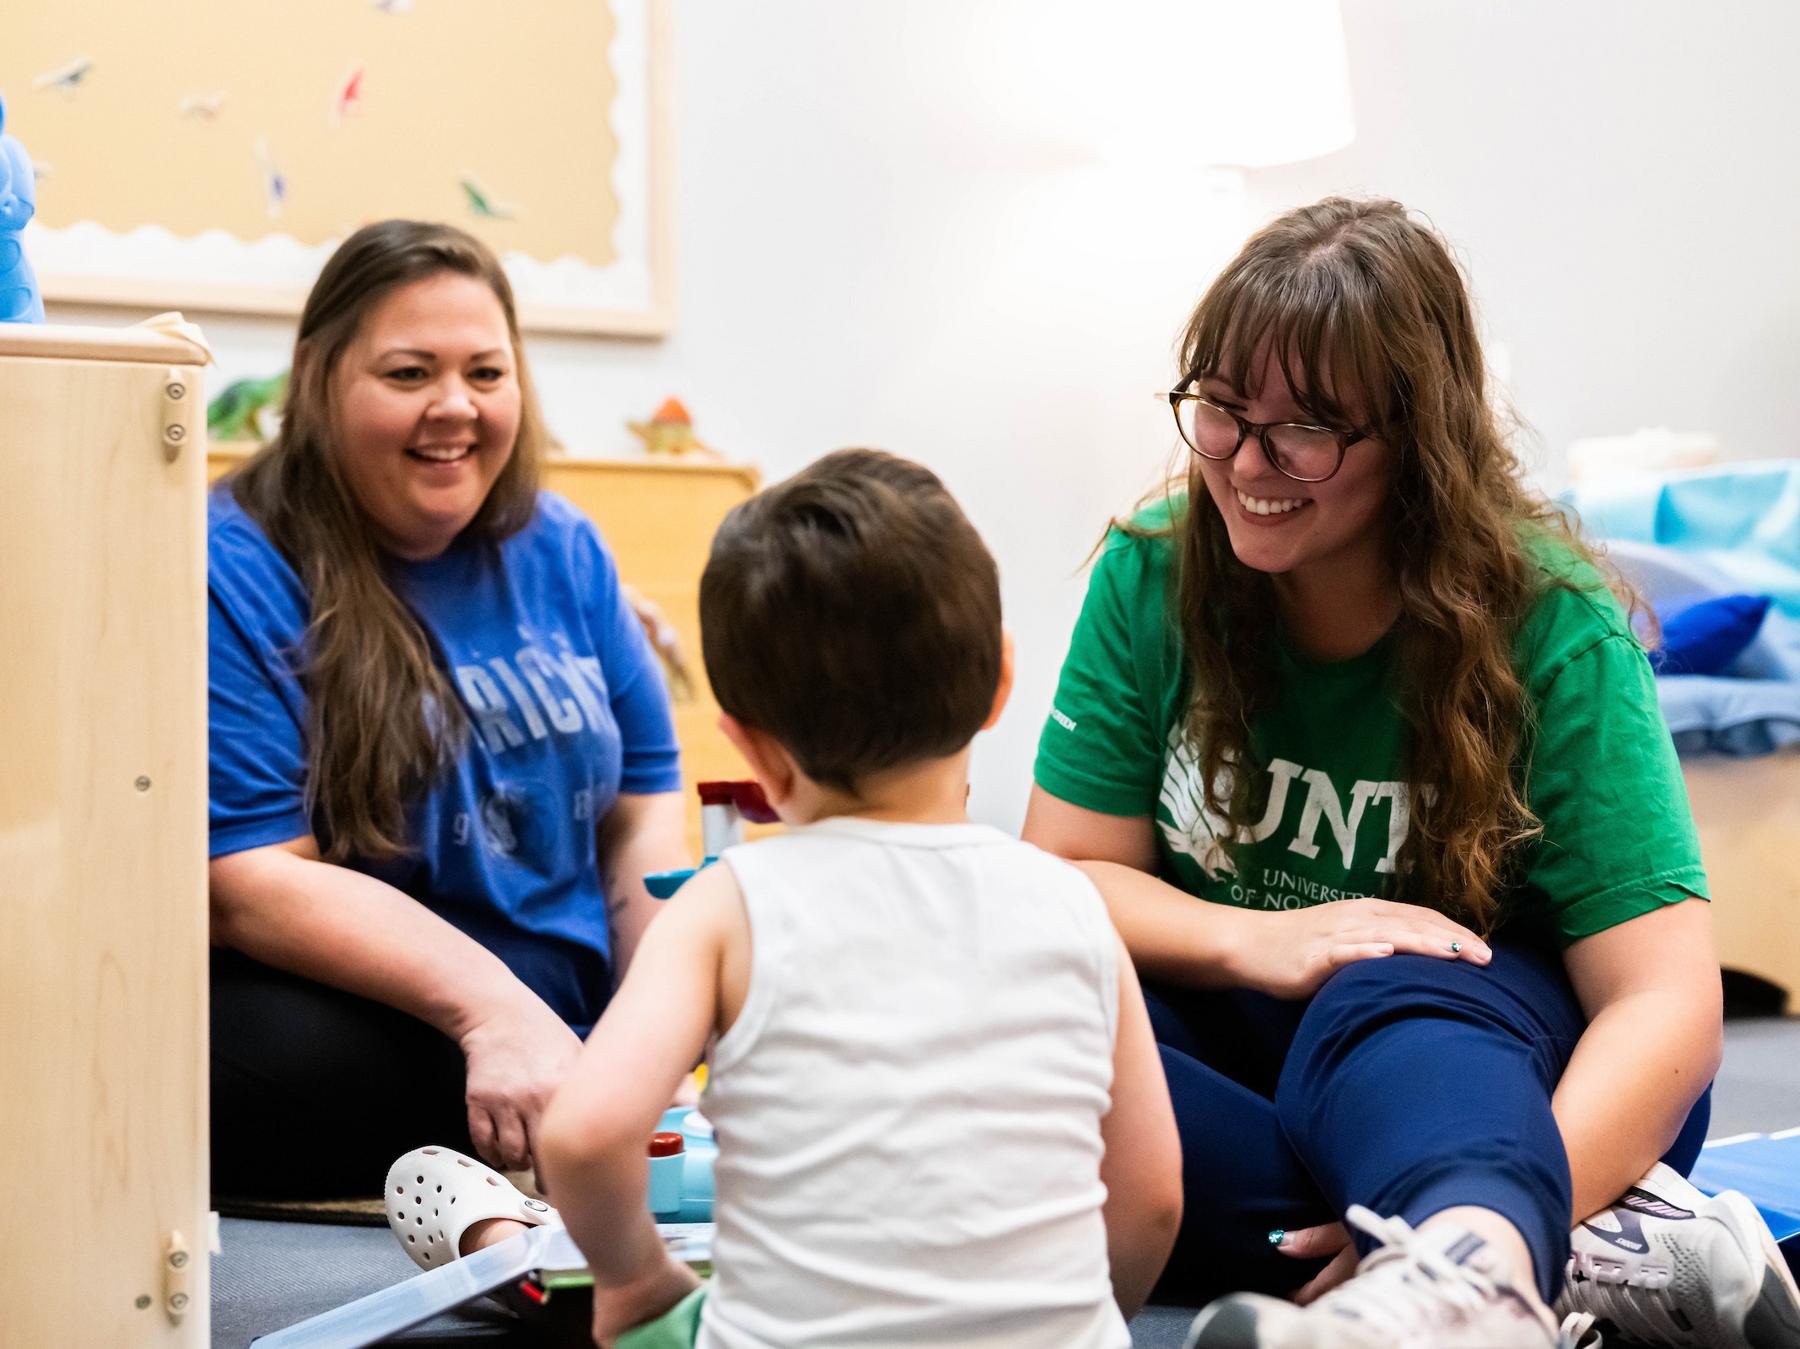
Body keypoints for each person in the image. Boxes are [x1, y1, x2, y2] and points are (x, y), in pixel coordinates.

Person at [1024, 197, 1800, 1348]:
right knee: (1031, 1022)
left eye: (1307, 430)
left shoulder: (1554, 621)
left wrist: (1512, 1185)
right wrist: (1257, 938)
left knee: (1379, 986)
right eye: (1224, 412)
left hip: (1485, 1055)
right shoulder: (1153, 570)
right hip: (1268, 1061)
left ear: (1419, 441)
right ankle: (1562, 1249)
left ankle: (1473, 1265)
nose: (1247, 461)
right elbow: (1070, 871)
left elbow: (1668, 1006)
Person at [391, 448, 1183, 1348]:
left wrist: (641, 1282)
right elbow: (1153, 1197)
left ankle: (514, 1247)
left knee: (458, 1197)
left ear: (752, 751)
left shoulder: (727, 905)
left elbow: (581, 1135)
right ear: (1001, 683)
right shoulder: (1073, 901)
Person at [207, 219, 690, 1197]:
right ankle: (531, 1138)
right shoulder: (233, 562)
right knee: (236, 1051)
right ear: (315, 374)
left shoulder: (562, 542)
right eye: (408, 373)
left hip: (574, 1018)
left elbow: (645, 797)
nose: (454, 408)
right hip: (391, 1026)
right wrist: (490, 1012)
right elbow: (248, 878)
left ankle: (560, 1119)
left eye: (485, 372)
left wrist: (654, 1027)